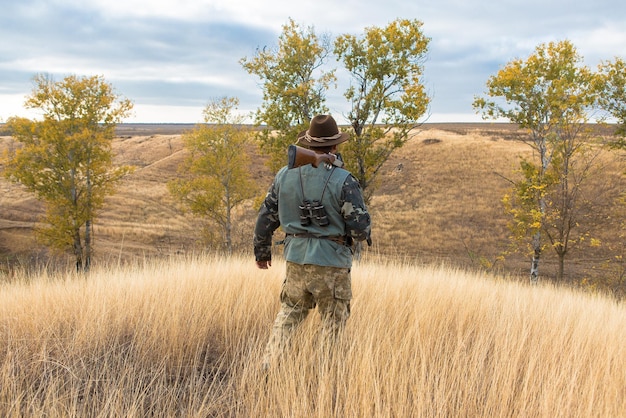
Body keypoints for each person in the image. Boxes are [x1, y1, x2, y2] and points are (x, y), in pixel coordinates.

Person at [254, 114, 371, 370]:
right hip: (332, 263)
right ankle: (326, 376)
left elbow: (266, 217)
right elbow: (360, 229)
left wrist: (262, 253)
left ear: (308, 143)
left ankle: (269, 367)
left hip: (295, 258)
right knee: (333, 323)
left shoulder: (284, 175)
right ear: (335, 146)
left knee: (288, 315)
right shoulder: (345, 179)